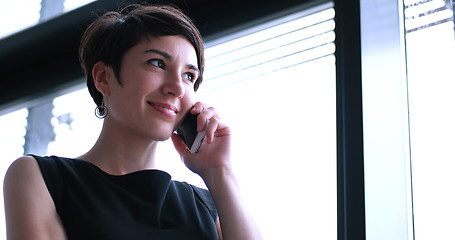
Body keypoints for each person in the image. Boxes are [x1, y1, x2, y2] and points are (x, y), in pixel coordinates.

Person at [3, 4, 262, 240]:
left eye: (189, 76)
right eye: (158, 63)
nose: (177, 88)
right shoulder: (42, 177)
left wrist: (219, 171)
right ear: (104, 77)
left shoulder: (205, 205)